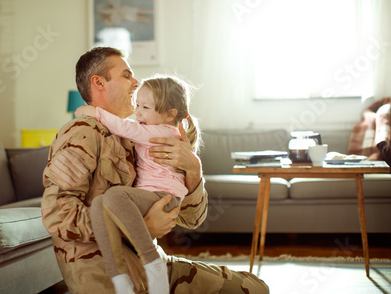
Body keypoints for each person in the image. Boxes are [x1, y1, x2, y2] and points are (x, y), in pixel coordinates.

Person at [41, 46, 269, 293]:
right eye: (126, 75)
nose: (136, 82)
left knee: (254, 288)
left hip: (154, 264)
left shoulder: (139, 134)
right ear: (99, 83)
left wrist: (192, 169)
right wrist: (140, 226)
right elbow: (58, 215)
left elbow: (192, 219)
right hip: (107, 272)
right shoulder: (81, 132)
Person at [75, 75, 201, 294]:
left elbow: (125, 128)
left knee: (114, 196)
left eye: (145, 107)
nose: (138, 113)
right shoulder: (156, 128)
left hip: (164, 196)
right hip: (150, 195)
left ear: (169, 114)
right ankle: (120, 279)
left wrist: (94, 112)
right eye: (137, 106)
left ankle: (153, 264)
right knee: (98, 205)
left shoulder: (161, 132)